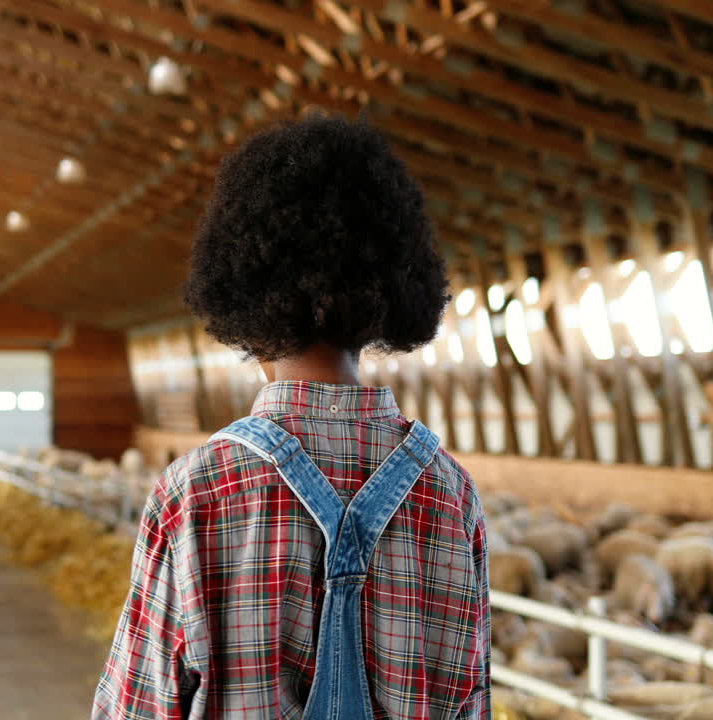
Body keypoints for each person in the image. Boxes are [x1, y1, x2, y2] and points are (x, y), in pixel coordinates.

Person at [93, 114, 490, 720]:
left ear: (241, 289)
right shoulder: (450, 495)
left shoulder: (196, 493)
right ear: (391, 283)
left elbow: (137, 708)